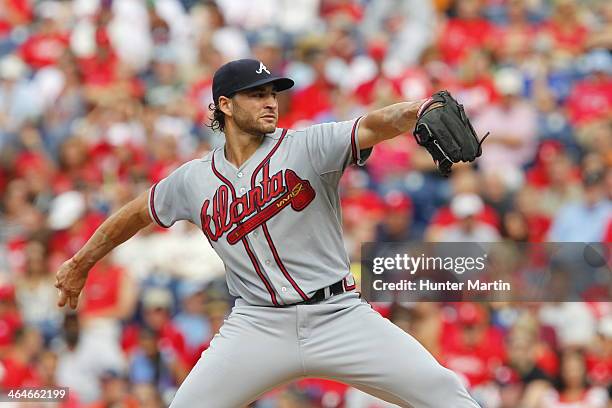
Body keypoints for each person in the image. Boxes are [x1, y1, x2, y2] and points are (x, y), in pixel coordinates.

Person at [55, 58, 480, 407]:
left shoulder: (306, 146)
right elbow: (133, 215)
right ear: (224, 104)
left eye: (273, 93)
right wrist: (80, 263)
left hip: (339, 315)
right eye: (256, 94)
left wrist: (418, 110)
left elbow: (373, 123)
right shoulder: (193, 179)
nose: (270, 102)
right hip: (257, 324)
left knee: (446, 395)